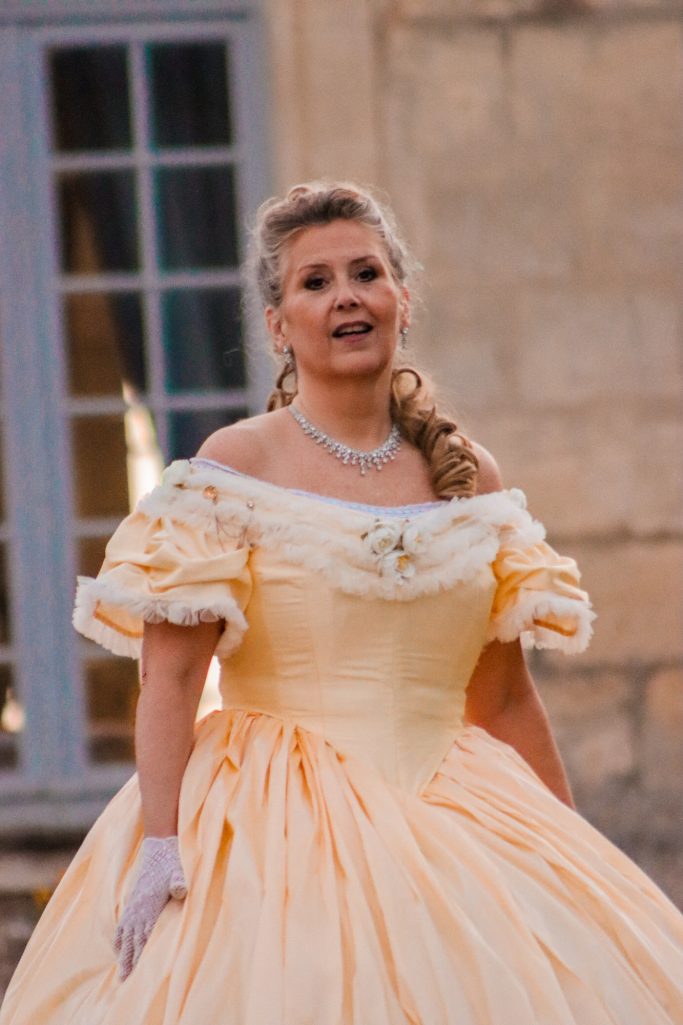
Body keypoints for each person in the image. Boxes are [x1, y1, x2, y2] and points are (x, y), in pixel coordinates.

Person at [1, 180, 682, 1025]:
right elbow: (169, 678)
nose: (346, 296)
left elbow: (504, 696)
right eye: (314, 282)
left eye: (365, 273)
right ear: (278, 325)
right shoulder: (233, 468)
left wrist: (567, 854)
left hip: (455, 815)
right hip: (278, 831)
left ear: (402, 298)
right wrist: (161, 842)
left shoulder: (471, 476)